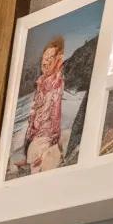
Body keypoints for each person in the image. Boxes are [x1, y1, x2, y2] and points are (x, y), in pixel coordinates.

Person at [22, 36, 65, 173]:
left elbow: (55, 114)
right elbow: (34, 115)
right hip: (36, 139)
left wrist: (49, 145)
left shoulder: (56, 83)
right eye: (44, 58)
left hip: (45, 141)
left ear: (58, 61)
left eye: (49, 58)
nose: (45, 62)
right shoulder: (42, 83)